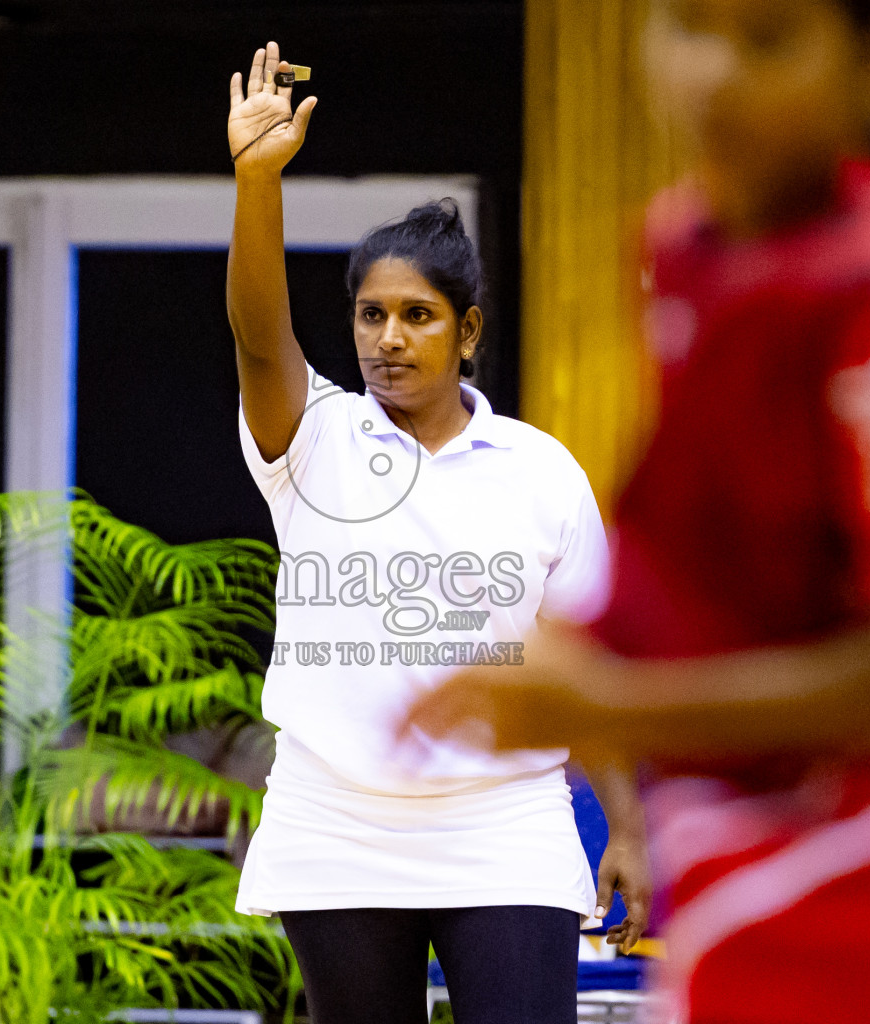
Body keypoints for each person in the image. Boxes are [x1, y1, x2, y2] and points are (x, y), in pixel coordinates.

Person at [403, 0, 870, 1020]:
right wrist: (570, 651)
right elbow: (697, 569)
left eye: (770, 40)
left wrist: (606, 708)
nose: (715, 76)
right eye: (689, 28)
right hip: (759, 868)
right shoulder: (686, 252)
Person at [225, 42, 650, 1024]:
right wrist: (257, 181)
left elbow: (585, 666)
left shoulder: (541, 470)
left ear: (468, 331)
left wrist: (627, 827)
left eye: (416, 315)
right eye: (371, 314)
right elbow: (258, 335)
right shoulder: (313, 437)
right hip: (336, 818)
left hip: (507, 822)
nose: (387, 336)